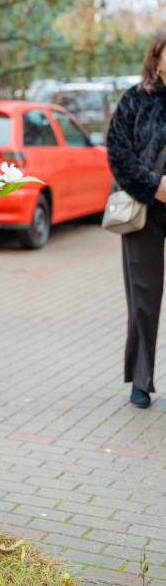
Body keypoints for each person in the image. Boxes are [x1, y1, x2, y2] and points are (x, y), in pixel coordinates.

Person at [106, 31, 166, 408]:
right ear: (156, 58)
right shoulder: (136, 100)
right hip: (145, 208)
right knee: (143, 297)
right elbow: (117, 151)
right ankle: (141, 379)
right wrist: (154, 185)